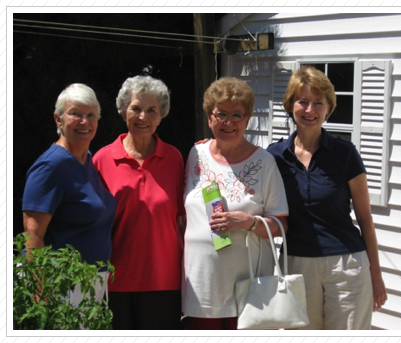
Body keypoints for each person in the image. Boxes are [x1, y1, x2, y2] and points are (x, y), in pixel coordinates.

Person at [267, 65, 388, 330]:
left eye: (318, 103)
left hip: (347, 264)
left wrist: (376, 275)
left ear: (329, 108)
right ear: (290, 105)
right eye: (303, 102)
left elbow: (365, 219)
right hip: (296, 264)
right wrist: (210, 148)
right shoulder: (274, 156)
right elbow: (241, 168)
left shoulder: (345, 154)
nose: (310, 110)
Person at [183, 77, 289, 330]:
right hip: (201, 288)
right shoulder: (195, 155)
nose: (228, 122)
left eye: (236, 115)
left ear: (247, 119)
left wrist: (249, 222)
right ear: (209, 118)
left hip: (249, 288)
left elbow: (281, 223)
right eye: (221, 114)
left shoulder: (264, 163)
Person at [93, 75, 185, 330]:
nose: (143, 117)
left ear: (161, 115)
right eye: (136, 108)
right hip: (115, 280)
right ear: (124, 111)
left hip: (164, 279)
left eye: (151, 110)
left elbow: (183, 219)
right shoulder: (102, 159)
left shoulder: (174, 158)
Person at [22, 83, 117, 314]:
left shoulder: (88, 160)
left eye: (91, 115)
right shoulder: (51, 166)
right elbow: (33, 234)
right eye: (75, 113)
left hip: (91, 283)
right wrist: (40, 296)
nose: (84, 121)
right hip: (61, 286)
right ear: (58, 119)